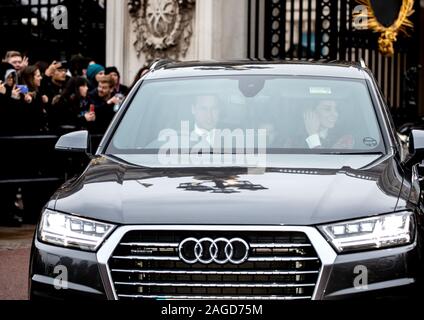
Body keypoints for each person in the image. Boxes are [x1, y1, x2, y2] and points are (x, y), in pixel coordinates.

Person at [19, 65, 49, 133]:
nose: (41, 78)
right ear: (30, 78)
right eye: (38, 76)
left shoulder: (37, 93)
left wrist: (45, 103)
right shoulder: (22, 94)